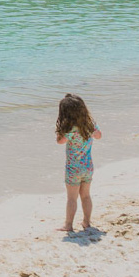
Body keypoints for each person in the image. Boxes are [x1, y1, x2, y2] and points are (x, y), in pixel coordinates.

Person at [56, 94, 101, 233]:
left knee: (71, 198)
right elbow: (99, 135)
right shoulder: (89, 125)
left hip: (73, 168)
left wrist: (61, 129)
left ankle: (68, 225)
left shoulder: (69, 129)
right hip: (88, 167)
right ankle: (87, 222)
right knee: (86, 195)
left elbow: (60, 141)